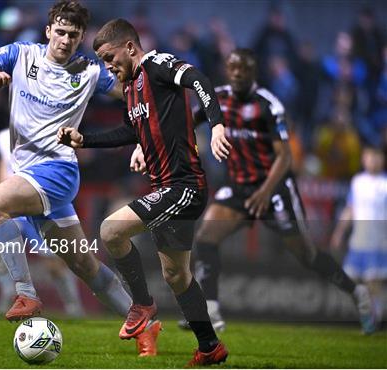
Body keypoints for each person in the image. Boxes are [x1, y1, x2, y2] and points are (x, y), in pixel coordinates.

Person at [0, 1, 159, 357]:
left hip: (57, 170)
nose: (65, 40)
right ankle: (145, 326)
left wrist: (145, 138)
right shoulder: (20, 55)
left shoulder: (91, 72)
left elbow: (136, 95)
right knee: (83, 264)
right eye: (60, 32)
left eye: (73, 35)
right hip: (28, 174)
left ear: (80, 39)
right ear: (49, 31)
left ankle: (26, 294)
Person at [58, 18, 231, 366]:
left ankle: (142, 304)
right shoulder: (132, 87)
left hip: (184, 186)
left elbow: (199, 80)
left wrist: (217, 126)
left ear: (131, 48)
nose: (108, 66)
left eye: (110, 57)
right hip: (168, 188)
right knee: (176, 275)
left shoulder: (157, 65)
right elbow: (128, 130)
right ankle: (210, 346)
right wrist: (84, 140)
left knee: (111, 230)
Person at [167, 48, 376, 334]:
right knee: (206, 237)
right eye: (233, 67)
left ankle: (359, 295)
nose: (238, 72)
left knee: (307, 255)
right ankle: (210, 312)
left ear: (254, 72)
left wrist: (266, 191)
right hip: (239, 187)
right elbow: (187, 122)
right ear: (228, 70)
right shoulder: (217, 98)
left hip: (275, 189)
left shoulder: (268, 105)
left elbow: (285, 157)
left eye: (244, 68)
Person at [0, 128, 84, 317]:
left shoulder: (45, 131)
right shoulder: (3, 137)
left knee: (54, 264)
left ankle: (73, 305)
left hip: (37, 205)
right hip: (14, 208)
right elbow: (3, 169)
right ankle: (9, 295)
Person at [331, 145, 387, 326]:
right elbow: (350, 209)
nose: (373, 160)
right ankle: (370, 311)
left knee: (373, 282)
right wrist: (339, 233)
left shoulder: (385, 184)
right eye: (370, 157)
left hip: (378, 242)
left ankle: (374, 318)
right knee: (350, 280)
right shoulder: (357, 182)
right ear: (364, 159)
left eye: (377, 157)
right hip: (358, 242)